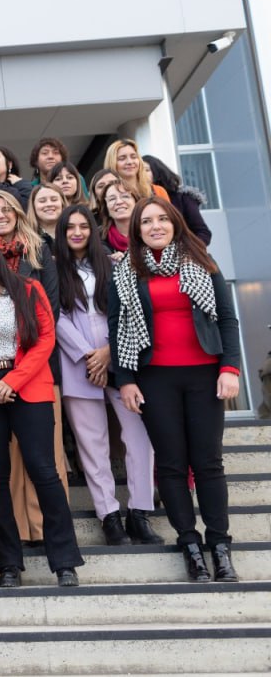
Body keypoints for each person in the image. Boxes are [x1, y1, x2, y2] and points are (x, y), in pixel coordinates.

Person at [109, 197, 242, 582]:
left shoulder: (203, 262)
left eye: (162, 219)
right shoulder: (126, 273)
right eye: (146, 221)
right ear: (136, 230)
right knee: (169, 463)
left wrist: (229, 367)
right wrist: (126, 379)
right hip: (154, 378)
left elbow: (228, 320)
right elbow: (117, 328)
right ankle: (189, 545)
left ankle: (219, 545)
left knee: (208, 463)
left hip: (204, 374)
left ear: (175, 224)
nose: (155, 226)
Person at [0, 230, 83, 587]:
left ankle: (64, 562)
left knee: (44, 471)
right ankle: (8, 563)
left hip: (29, 387)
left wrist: (12, 381)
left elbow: (46, 339)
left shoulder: (29, 289)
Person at [52, 205, 162, 547]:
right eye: (70, 227)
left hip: (121, 359)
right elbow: (53, 315)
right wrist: (88, 355)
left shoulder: (115, 265)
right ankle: (109, 515)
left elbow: (130, 310)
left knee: (139, 437)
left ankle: (140, 511)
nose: (77, 233)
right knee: (92, 444)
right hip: (77, 362)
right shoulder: (54, 270)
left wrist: (107, 352)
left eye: (84, 226)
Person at [142, 154, 212, 246]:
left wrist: (187, 252)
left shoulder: (182, 198)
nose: (142, 174)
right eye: (139, 171)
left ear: (157, 172)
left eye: (146, 170)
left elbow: (202, 232)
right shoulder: (138, 201)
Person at [99, 179, 139, 260]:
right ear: (106, 207)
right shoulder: (97, 238)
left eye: (125, 196)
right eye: (112, 199)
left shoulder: (150, 231)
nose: (119, 202)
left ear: (136, 202)